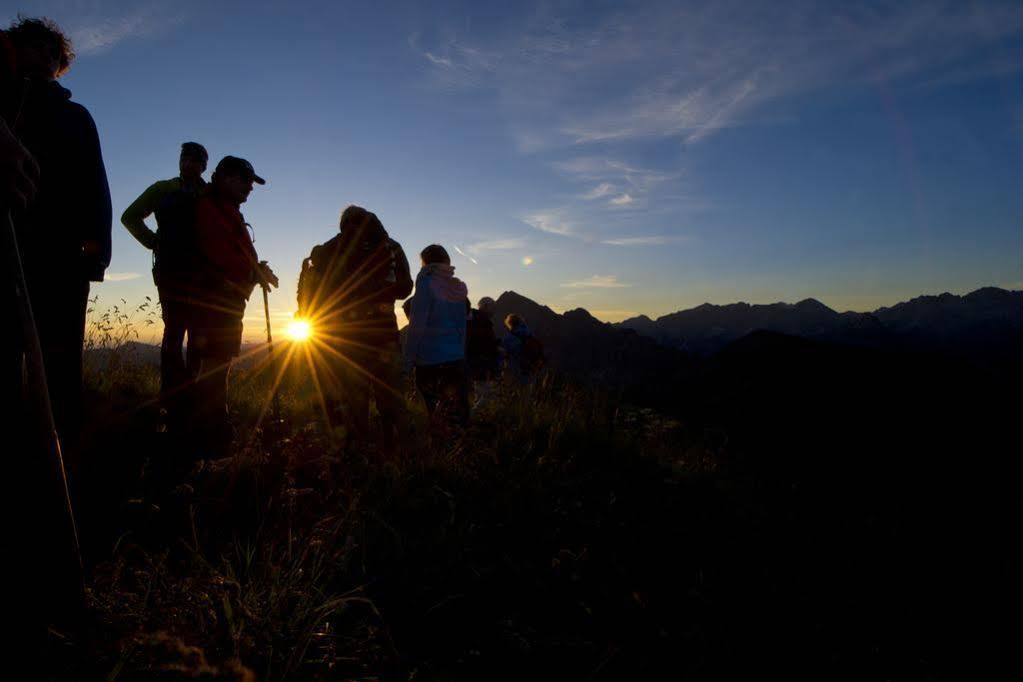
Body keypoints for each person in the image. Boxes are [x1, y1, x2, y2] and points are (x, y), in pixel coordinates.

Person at [1, 15, 109, 638]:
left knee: (58, 364)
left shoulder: (75, 116)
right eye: (30, 47)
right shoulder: (0, 100)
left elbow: (94, 182)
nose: (39, 57)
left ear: (59, 62)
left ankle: (62, 472)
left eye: (50, 52)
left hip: (58, 257)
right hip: (5, 240)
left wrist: (96, 248)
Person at [298, 205, 412, 445]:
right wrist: (379, 294)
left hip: (345, 336)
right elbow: (405, 288)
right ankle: (399, 449)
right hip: (384, 333)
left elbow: (316, 290)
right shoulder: (391, 246)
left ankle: (359, 452)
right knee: (391, 395)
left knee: (354, 399)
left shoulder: (329, 248)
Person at [191, 156, 277, 458]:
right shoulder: (210, 208)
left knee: (218, 363)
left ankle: (211, 427)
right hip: (218, 300)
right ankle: (212, 434)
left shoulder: (224, 209)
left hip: (225, 300)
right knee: (215, 364)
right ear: (226, 177)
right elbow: (219, 256)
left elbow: (232, 255)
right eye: (245, 181)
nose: (249, 188)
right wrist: (254, 272)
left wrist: (257, 269)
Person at [121, 142, 209, 431]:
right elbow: (130, 216)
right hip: (172, 273)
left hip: (200, 276)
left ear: (203, 166)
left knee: (195, 336)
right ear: (181, 161)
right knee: (175, 335)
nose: (190, 163)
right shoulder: (163, 189)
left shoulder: (209, 195)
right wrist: (152, 241)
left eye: (196, 160)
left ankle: (186, 397)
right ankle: (172, 400)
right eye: (186, 158)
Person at [403, 245, 469, 429]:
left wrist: (407, 363)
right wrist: (461, 354)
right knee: (458, 412)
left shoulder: (426, 284)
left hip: (430, 362)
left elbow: (416, 326)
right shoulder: (458, 287)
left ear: (426, 262)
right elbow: (461, 327)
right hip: (455, 359)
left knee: (437, 414)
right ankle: (462, 450)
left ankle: (442, 452)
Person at [502, 313, 545, 381]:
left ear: (509, 323)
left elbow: (505, 353)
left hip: (515, 369)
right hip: (531, 369)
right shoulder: (530, 334)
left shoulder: (509, 338)